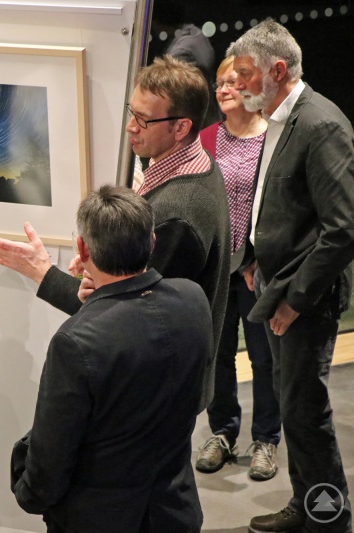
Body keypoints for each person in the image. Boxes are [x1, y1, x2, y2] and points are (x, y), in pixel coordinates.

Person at [0, 56, 231, 411]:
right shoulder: (197, 166)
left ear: (181, 128)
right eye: (133, 113)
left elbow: (121, 319)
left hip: (156, 400)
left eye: (144, 120)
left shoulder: (176, 215)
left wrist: (41, 271)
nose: (131, 126)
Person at [11, 186, 212, 532]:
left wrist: (27, 491)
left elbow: (50, 460)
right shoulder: (193, 299)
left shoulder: (74, 342)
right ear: (151, 242)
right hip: (176, 511)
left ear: (83, 249)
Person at [228, 19, 354, 533]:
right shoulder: (283, 118)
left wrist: (295, 299)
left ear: (277, 70)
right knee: (294, 409)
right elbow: (279, 205)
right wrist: (257, 256)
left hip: (305, 300)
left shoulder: (321, 125)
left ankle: (329, 519)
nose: (235, 86)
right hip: (278, 286)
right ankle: (306, 507)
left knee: (306, 414)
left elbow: (342, 230)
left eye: (243, 75)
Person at [194, 56, 281, 481]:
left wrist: (256, 258)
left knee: (264, 358)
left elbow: (283, 207)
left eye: (233, 82)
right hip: (216, 269)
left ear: (252, 87)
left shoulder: (274, 139)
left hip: (256, 269)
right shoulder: (206, 138)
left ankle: (266, 439)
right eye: (219, 83)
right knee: (218, 354)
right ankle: (223, 432)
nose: (223, 89)